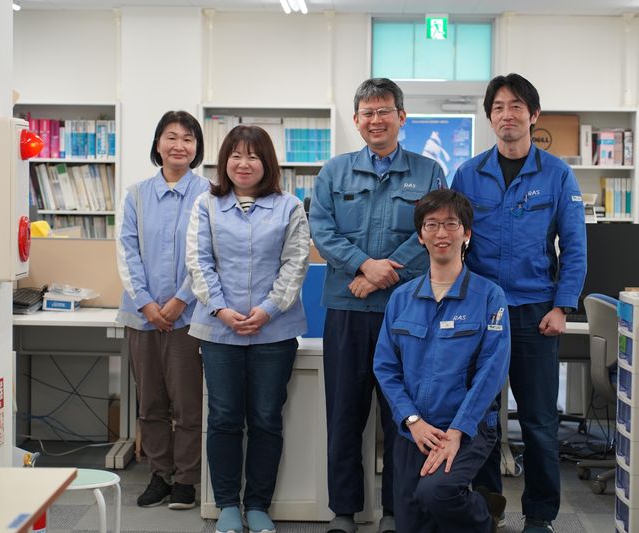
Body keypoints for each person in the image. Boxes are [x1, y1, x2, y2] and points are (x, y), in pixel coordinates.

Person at [450, 73, 587, 533]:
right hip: (481, 311)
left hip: (535, 310)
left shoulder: (557, 174)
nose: (506, 115)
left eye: (516, 106)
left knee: (539, 421)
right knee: (480, 416)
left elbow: (575, 246)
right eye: (498, 107)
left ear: (533, 115)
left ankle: (540, 516)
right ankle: (487, 509)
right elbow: (454, 241)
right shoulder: (468, 174)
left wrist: (562, 307)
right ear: (490, 117)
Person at [309, 77, 446, 533]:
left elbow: (433, 231)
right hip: (346, 311)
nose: (376, 120)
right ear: (356, 120)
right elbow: (322, 230)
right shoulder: (334, 172)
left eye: (384, 111)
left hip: (406, 313)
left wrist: (382, 275)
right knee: (344, 413)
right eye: (367, 113)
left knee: (401, 416)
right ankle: (343, 512)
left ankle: (394, 512)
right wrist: (365, 266)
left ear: (401, 117)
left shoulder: (429, 172)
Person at [187, 124, 310, 533]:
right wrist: (221, 309)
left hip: (274, 332)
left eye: (253, 156)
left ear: (266, 162)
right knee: (223, 417)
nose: (243, 163)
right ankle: (227, 505)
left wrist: (269, 309)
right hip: (219, 331)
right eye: (236, 155)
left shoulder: (289, 206)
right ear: (224, 161)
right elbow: (198, 261)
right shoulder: (206, 204)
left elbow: (296, 262)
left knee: (265, 418)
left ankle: (257, 504)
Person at [373, 189, 511, 533]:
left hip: (468, 426)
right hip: (416, 429)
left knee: (437, 493)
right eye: (431, 225)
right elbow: (385, 368)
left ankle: (484, 517)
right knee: (411, 522)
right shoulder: (401, 298)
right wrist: (412, 420)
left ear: (467, 233)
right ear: (421, 236)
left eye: (451, 224)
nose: (441, 233)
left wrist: (457, 431)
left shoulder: (489, 297)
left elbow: (492, 371)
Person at [116, 110, 211, 510]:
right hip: (143, 317)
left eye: (188, 138)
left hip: (189, 318)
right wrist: (146, 303)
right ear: (157, 144)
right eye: (171, 137)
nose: (179, 145)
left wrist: (179, 300)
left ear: (197, 147)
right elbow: (127, 252)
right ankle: (159, 474)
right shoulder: (137, 194)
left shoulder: (209, 194)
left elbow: (208, 254)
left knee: (188, 403)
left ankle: (186, 479)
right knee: (151, 402)